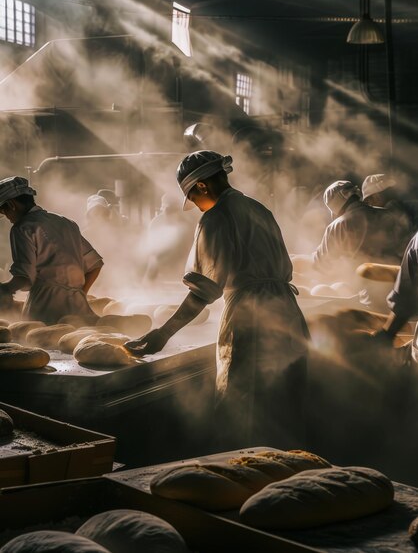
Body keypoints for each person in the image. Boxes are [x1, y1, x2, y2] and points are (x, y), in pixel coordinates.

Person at [125, 150, 309, 450]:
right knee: (284, 409)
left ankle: (242, 483)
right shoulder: (258, 208)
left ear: (201, 186)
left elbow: (203, 291)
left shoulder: (217, 217)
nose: (196, 206)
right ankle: (291, 479)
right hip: (287, 314)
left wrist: (163, 333)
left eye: (193, 198)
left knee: (244, 411)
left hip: (250, 321)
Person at [0, 176, 103, 324]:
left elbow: (24, 277)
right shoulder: (66, 222)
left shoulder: (22, 228)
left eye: (3, 212)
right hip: (79, 310)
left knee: (40, 344)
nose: (7, 217)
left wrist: (5, 289)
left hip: (44, 309)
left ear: (11, 205)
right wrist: (80, 294)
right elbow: (96, 265)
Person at [144, 192, 196, 281]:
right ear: (163, 209)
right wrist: (149, 277)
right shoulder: (156, 223)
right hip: (162, 273)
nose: (170, 213)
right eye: (167, 209)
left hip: (181, 272)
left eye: (173, 210)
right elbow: (153, 253)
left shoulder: (187, 225)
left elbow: (190, 251)